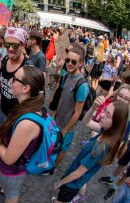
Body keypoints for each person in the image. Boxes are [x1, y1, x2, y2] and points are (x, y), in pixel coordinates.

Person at [51, 100, 128, 203]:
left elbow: (77, 174)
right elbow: (85, 122)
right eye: (104, 110)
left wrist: (59, 183)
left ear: (115, 124)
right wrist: (93, 107)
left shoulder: (99, 148)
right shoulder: (105, 131)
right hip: (76, 180)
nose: (102, 114)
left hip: (72, 184)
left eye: (108, 115)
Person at [0, 66, 45, 203]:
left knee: (11, 197)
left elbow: (9, 159)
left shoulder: (26, 123)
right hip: (15, 169)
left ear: (25, 88)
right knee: (10, 190)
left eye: (15, 78)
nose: (10, 80)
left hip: (12, 172)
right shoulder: (30, 106)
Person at [52, 45, 89, 173]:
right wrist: (54, 114)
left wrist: (66, 129)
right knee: (53, 144)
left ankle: (53, 168)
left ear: (81, 63)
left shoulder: (82, 85)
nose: (69, 64)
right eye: (68, 60)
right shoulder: (66, 76)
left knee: (62, 148)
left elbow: (78, 112)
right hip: (57, 120)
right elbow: (61, 97)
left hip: (67, 126)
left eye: (74, 61)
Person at [0, 27, 31, 126]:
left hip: (18, 118)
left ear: (22, 45)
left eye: (15, 45)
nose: (10, 49)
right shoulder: (4, 60)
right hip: (3, 112)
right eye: (7, 44)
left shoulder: (28, 67)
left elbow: (33, 100)